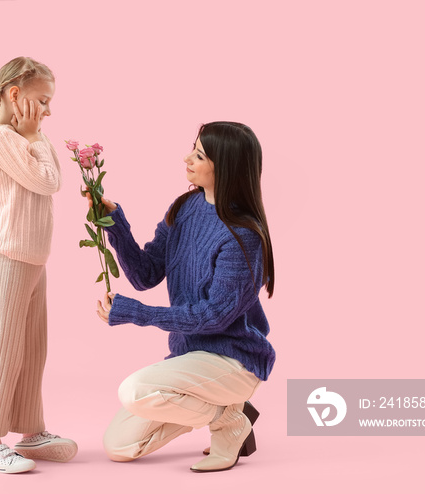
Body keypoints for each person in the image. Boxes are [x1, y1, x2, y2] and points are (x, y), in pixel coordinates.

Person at [94, 121, 276, 472]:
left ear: (225, 167)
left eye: (199, 154)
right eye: (192, 149)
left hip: (232, 361)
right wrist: (113, 221)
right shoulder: (185, 208)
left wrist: (138, 314)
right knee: (119, 445)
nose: (186, 159)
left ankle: (228, 421)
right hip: (190, 359)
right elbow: (145, 274)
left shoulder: (244, 235)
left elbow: (214, 317)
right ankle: (227, 412)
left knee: (135, 390)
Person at [0, 56, 77, 474]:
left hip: (32, 260)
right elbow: (48, 181)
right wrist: (32, 134)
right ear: (16, 95)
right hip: (8, 258)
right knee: (2, 349)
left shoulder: (28, 137)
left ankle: (30, 431)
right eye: (42, 100)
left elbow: (53, 175)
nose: (48, 110)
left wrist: (35, 134)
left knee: (31, 350)